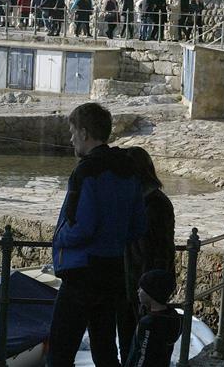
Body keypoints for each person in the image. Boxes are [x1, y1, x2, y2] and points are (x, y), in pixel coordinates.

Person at [49, 103, 147, 367]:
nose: (70, 139)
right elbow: (138, 225)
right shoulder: (129, 169)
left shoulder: (86, 171)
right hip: (112, 270)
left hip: (82, 272)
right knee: (104, 351)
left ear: (84, 133)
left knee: (59, 353)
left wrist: (59, 238)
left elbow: (82, 227)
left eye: (72, 132)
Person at [118, 146, 176, 361]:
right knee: (130, 347)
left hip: (144, 286)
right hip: (132, 283)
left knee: (141, 348)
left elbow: (158, 250)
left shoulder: (154, 203)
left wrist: (149, 291)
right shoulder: (140, 200)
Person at [124, 270, 182, 367]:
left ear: (151, 293)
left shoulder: (148, 324)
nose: (138, 291)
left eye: (141, 288)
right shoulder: (173, 317)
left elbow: (142, 357)